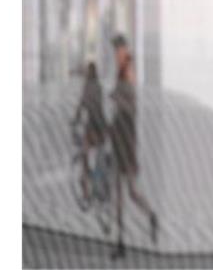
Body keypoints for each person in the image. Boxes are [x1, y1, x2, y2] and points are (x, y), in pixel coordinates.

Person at [109, 34, 159, 259]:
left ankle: (151, 215)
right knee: (120, 192)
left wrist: (117, 100)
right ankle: (120, 243)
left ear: (124, 49)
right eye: (115, 50)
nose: (116, 54)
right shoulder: (120, 72)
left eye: (118, 49)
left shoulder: (128, 72)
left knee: (129, 190)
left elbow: (131, 107)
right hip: (119, 135)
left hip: (127, 138)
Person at [72, 61, 106, 202]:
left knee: (85, 154)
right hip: (101, 125)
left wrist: (75, 120)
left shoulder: (88, 87)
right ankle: (98, 182)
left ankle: (87, 191)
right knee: (98, 154)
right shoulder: (98, 86)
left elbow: (82, 105)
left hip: (92, 125)